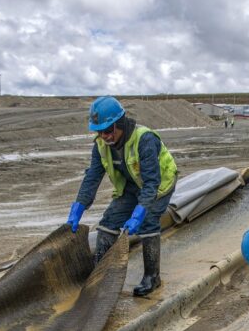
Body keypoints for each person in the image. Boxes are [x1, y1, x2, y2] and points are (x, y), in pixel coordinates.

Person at [66, 96, 178, 297]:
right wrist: (79, 205)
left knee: (149, 222)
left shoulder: (145, 140)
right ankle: (101, 275)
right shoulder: (100, 145)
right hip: (131, 186)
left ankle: (153, 278)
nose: (104, 136)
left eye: (108, 130)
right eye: (99, 132)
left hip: (160, 185)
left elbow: (152, 183)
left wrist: (139, 213)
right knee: (108, 223)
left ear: (121, 123)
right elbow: (92, 176)